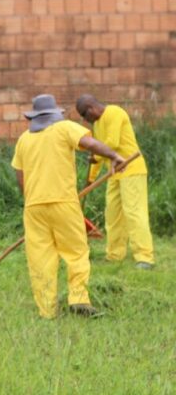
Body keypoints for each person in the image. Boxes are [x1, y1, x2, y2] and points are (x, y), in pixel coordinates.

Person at [11, 94, 127, 319]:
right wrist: (114, 155)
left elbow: (19, 174)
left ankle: (47, 311)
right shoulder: (64, 128)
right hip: (63, 202)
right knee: (76, 251)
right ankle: (78, 299)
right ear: (55, 114)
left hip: (34, 207)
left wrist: (31, 198)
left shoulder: (24, 139)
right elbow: (89, 143)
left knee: (40, 259)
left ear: (34, 117)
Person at [76, 94, 154, 270]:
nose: (84, 120)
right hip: (114, 173)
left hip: (131, 169)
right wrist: (90, 179)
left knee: (134, 212)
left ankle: (144, 257)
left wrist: (94, 152)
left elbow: (111, 143)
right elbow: (100, 153)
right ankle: (115, 254)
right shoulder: (97, 124)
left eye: (83, 115)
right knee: (112, 214)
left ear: (91, 109)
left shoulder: (114, 112)